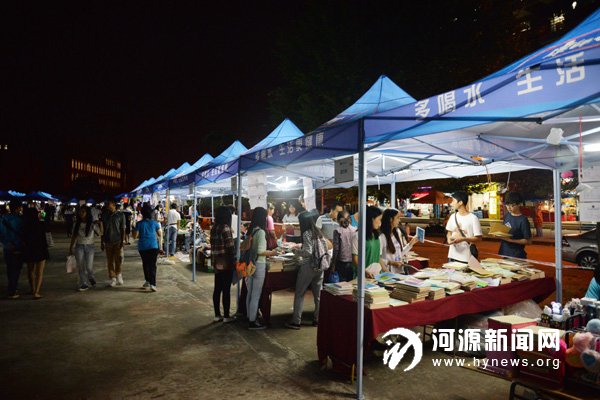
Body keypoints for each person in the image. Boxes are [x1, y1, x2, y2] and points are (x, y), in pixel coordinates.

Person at [286, 211, 329, 329]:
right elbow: (325, 248)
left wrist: (296, 251)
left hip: (308, 266)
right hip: (320, 267)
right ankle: (317, 319)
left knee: (299, 294)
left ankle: (296, 321)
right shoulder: (319, 232)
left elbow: (308, 252)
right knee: (318, 295)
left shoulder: (306, 233)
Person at [246, 207, 277, 330]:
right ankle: (252, 321)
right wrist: (273, 252)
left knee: (250, 293)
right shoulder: (261, 232)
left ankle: (249, 316)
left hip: (250, 264)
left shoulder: (252, 230)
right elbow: (260, 251)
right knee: (256, 295)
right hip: (258, 265)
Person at [210, 206, 236, 323]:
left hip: (216, 262)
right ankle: (226, 315)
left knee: (217, 289)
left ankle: (217, 315)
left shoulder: (214, 227)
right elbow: (230, 247)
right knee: (226, 290)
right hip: (226, 262)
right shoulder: (225, 228)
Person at [69, 206, 101, 291]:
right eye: (80, 211)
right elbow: (74, 236)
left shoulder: (92, 224)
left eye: (83, 212)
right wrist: (70, 248)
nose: (81, 213)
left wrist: (100, 224)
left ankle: (91, 277)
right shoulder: (76, 224)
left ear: (87, 213)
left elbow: (100, 233)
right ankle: (84, 283)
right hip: (79, 246)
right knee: (80, 266)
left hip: (90, 246)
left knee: (89, 267)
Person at [445, 191, 482, 263]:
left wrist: (463, 239)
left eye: (453, 201)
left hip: (466, 257)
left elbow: (479, 238)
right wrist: (449, 239)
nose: (451, 203)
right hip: (452, 256)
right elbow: (449, 232)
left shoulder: (473, 218)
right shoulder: (453, 216)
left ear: (460, 202)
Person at [379, 208, 418, 274]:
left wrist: (411, 243)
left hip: (399, 272)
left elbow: (400, 254)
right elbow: (378, 258)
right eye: (397, 218)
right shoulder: (382, 237)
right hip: (388, 274)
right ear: (391, 219)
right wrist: (391, 263)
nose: (399, 220)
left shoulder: (397, 232)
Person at [133, 204, 162, 292]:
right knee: (152, 265)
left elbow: (135, 236)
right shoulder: (155, 223)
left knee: (145, 264)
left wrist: (141, 234)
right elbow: (160, 234)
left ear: (142, 213)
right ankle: (153, 284)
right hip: (153, 246)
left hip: (143, 246)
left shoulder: (139, 224)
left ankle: (148, 281)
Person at [23, 207, 49, 299]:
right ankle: (36, 292)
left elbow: (24, 238)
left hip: (29, 249)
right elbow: (47, 234)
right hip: (41, 249)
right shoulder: (41, 224)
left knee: (30, 271)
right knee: (39, 272)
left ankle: (32, 289)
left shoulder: (25, 226)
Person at [0, 200, 25, 298]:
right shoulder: (20, 219)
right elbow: (23, 232)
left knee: (10, 268)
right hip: (18, 246)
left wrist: (6, 243)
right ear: (18, 208)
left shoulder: (3, 218)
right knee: (16, 269)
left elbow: (1, 234)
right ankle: (12, 290)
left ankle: (12, 287)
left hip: (7, 247)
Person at [352, 206, 384, 278]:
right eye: (379, 219)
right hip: (362, 278)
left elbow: (378, 258)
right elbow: (355, 259)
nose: (380, 223)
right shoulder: (357, 236)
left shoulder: (378, 237)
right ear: (372, 219)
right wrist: (364, 271)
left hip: (377, 276)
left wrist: (386, 270)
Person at [498, 192, 532, 259]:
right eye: (507, 205)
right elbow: (504, 230)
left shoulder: (523, 220)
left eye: (512, 205)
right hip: (504, 253)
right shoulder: (507, 215)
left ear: (519, 204)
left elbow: (528, 241)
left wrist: (510, 240)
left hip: (516, 255)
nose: (509, 208)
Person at [101, 200, 126, 287]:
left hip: (117, 240)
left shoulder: (120, 215)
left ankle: (118, 274)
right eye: (107, 204)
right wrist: (102, 242)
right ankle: (113, 278)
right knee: (110, 261)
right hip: (108, 241)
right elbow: (103, 230)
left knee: (118, 259)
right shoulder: (104, 215)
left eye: (109, 203)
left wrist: (122, 241)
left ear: (114, 204)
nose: (107, 205)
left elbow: (123, 229)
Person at [331, 211, 354, 282]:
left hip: (342, 262)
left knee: (342, 284)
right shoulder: (355, 230)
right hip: (353, 261)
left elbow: (336, 249)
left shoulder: (337, 231)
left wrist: (333, 264)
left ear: (338, 220)